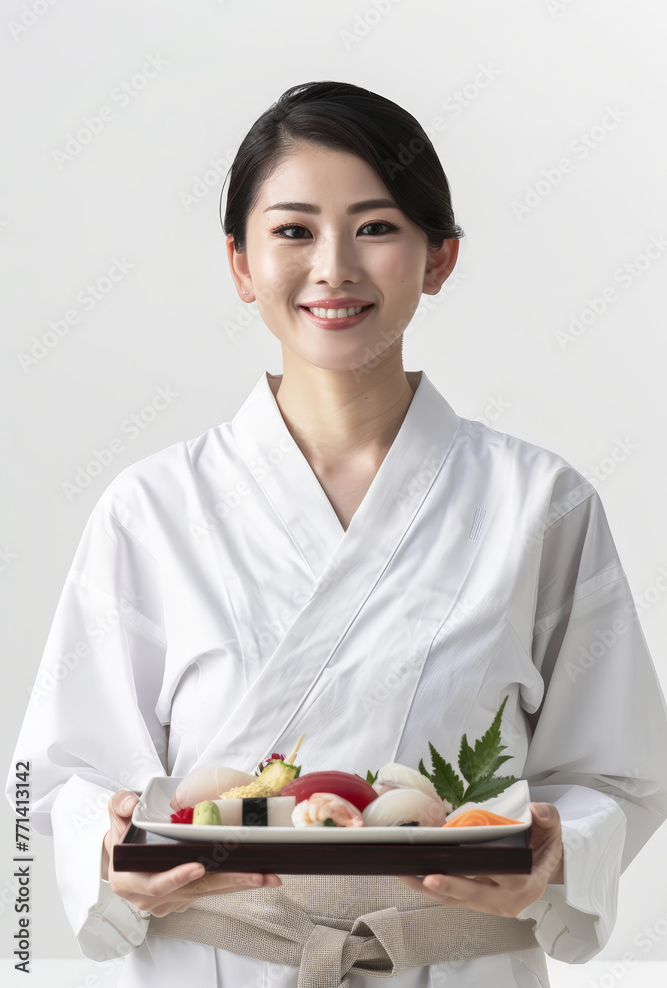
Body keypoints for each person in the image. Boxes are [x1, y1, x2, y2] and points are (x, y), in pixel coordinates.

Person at [6, 80, 667, 988]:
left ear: (439, 258)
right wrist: (109, 848)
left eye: (377, 227)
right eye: (291, 231)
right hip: (215, 962)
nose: (333, 267)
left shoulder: (539, 501)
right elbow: (46, 781)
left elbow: (621, 775)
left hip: (455, 962)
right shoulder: (152, 507)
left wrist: (557, 852)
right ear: (239, 263)